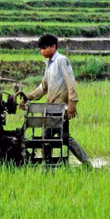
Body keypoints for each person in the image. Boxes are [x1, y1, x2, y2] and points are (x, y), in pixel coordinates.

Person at [20, 34, 90, 167]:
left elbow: (71, 82)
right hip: (50, 108)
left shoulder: (61, 61)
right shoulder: (49, 64)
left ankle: (84, 163)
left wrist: (72, 104)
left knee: (60, 138)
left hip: (60, 108)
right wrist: (28, 96)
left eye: (45, 48)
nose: (42, 51)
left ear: (53, 47)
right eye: (40, 49)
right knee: (52, 138)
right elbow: (43, 87)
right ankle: (49, 165)